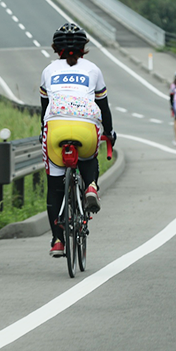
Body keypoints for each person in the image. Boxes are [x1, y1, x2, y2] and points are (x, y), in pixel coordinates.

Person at [40, 23, 116, 257]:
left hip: (56, 127)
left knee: (54, 187)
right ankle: (91, 186)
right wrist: (110, 133)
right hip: (86, 125)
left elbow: (43, 111)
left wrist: (45, 134)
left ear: (55, 48)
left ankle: (57, 240)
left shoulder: (48, 71)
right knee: (89, 156)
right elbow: (103, 107)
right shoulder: (93, 69)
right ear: (84, 48)